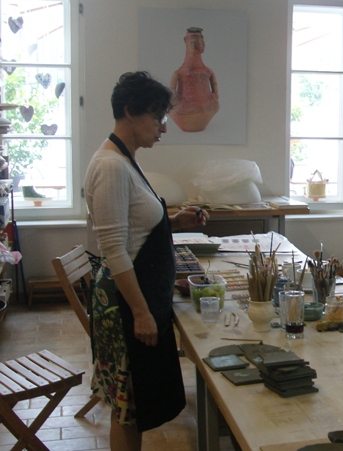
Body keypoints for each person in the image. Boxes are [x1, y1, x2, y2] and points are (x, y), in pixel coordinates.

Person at [84, 71, 209, 451]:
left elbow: (133, 227)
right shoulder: (111, 166)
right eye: (157, 117)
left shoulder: (125, 160)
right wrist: (141, 313)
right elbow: (114, 249)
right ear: (129, 111)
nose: (163, 128)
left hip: (136, 298)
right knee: (128, 407)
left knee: (135, 406)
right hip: (125, 305)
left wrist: (175, 221)